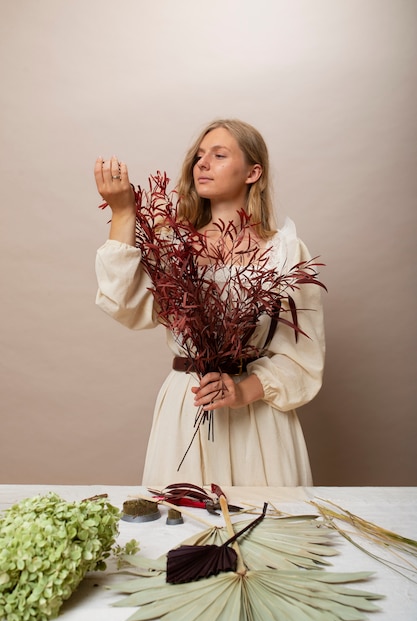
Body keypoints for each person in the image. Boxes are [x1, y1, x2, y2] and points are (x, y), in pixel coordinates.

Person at [94, 119, 325, 487]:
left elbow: (303, 359)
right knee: (183, 534)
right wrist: (123, 213)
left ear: (253, 172)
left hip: (259, 421)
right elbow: (125, 304)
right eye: (200, 155)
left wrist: (242, 391)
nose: (202, 163)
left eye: (219, 155)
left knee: (267, 533)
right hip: (189, 407)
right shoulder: (172, 244)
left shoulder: (286, 251)